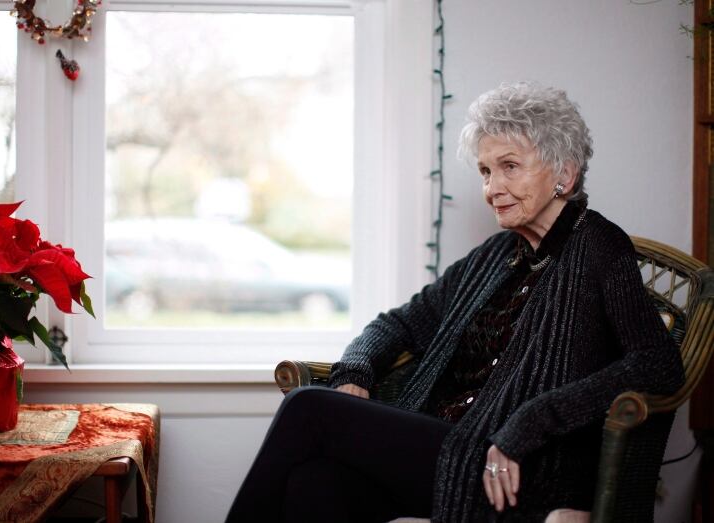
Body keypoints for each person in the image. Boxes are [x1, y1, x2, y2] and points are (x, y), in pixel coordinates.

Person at [225, 82, 685, 522]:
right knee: (315, 483)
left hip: (515, 467)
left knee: (309, 407)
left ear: (564, 173)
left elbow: (658, 362)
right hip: (446, 450)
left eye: (509, 166)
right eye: (486, 171)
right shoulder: (494, 257)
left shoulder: (599, 247)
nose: (492, 188)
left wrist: (532, 420)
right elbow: (398, 323)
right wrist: (356, 371)